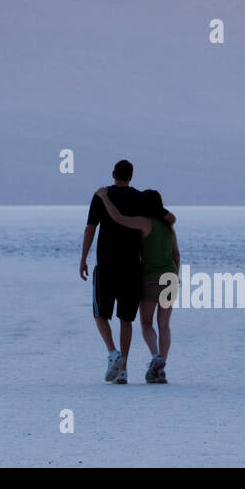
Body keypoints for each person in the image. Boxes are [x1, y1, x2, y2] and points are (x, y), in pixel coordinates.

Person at [78, 159, 173, 384]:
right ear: (131, 176)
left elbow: (90, 229)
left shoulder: (101, 196)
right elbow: (166, 217)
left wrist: (83, 259)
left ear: (113, 174)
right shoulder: (140, 198)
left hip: (107, 264)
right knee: (126, 319)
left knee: (100, 313)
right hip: (132, 267)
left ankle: (113, 353)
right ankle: (123, 371)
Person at [95, 186, 180, 383]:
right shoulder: (169, 226)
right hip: (171, 277)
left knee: (146, 323)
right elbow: (176, 255)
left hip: (150, 277)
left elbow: (118, 218)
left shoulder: (145, 223)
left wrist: (104, 197)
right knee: (164, 325)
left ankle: (155, 356)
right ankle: (160, 370)